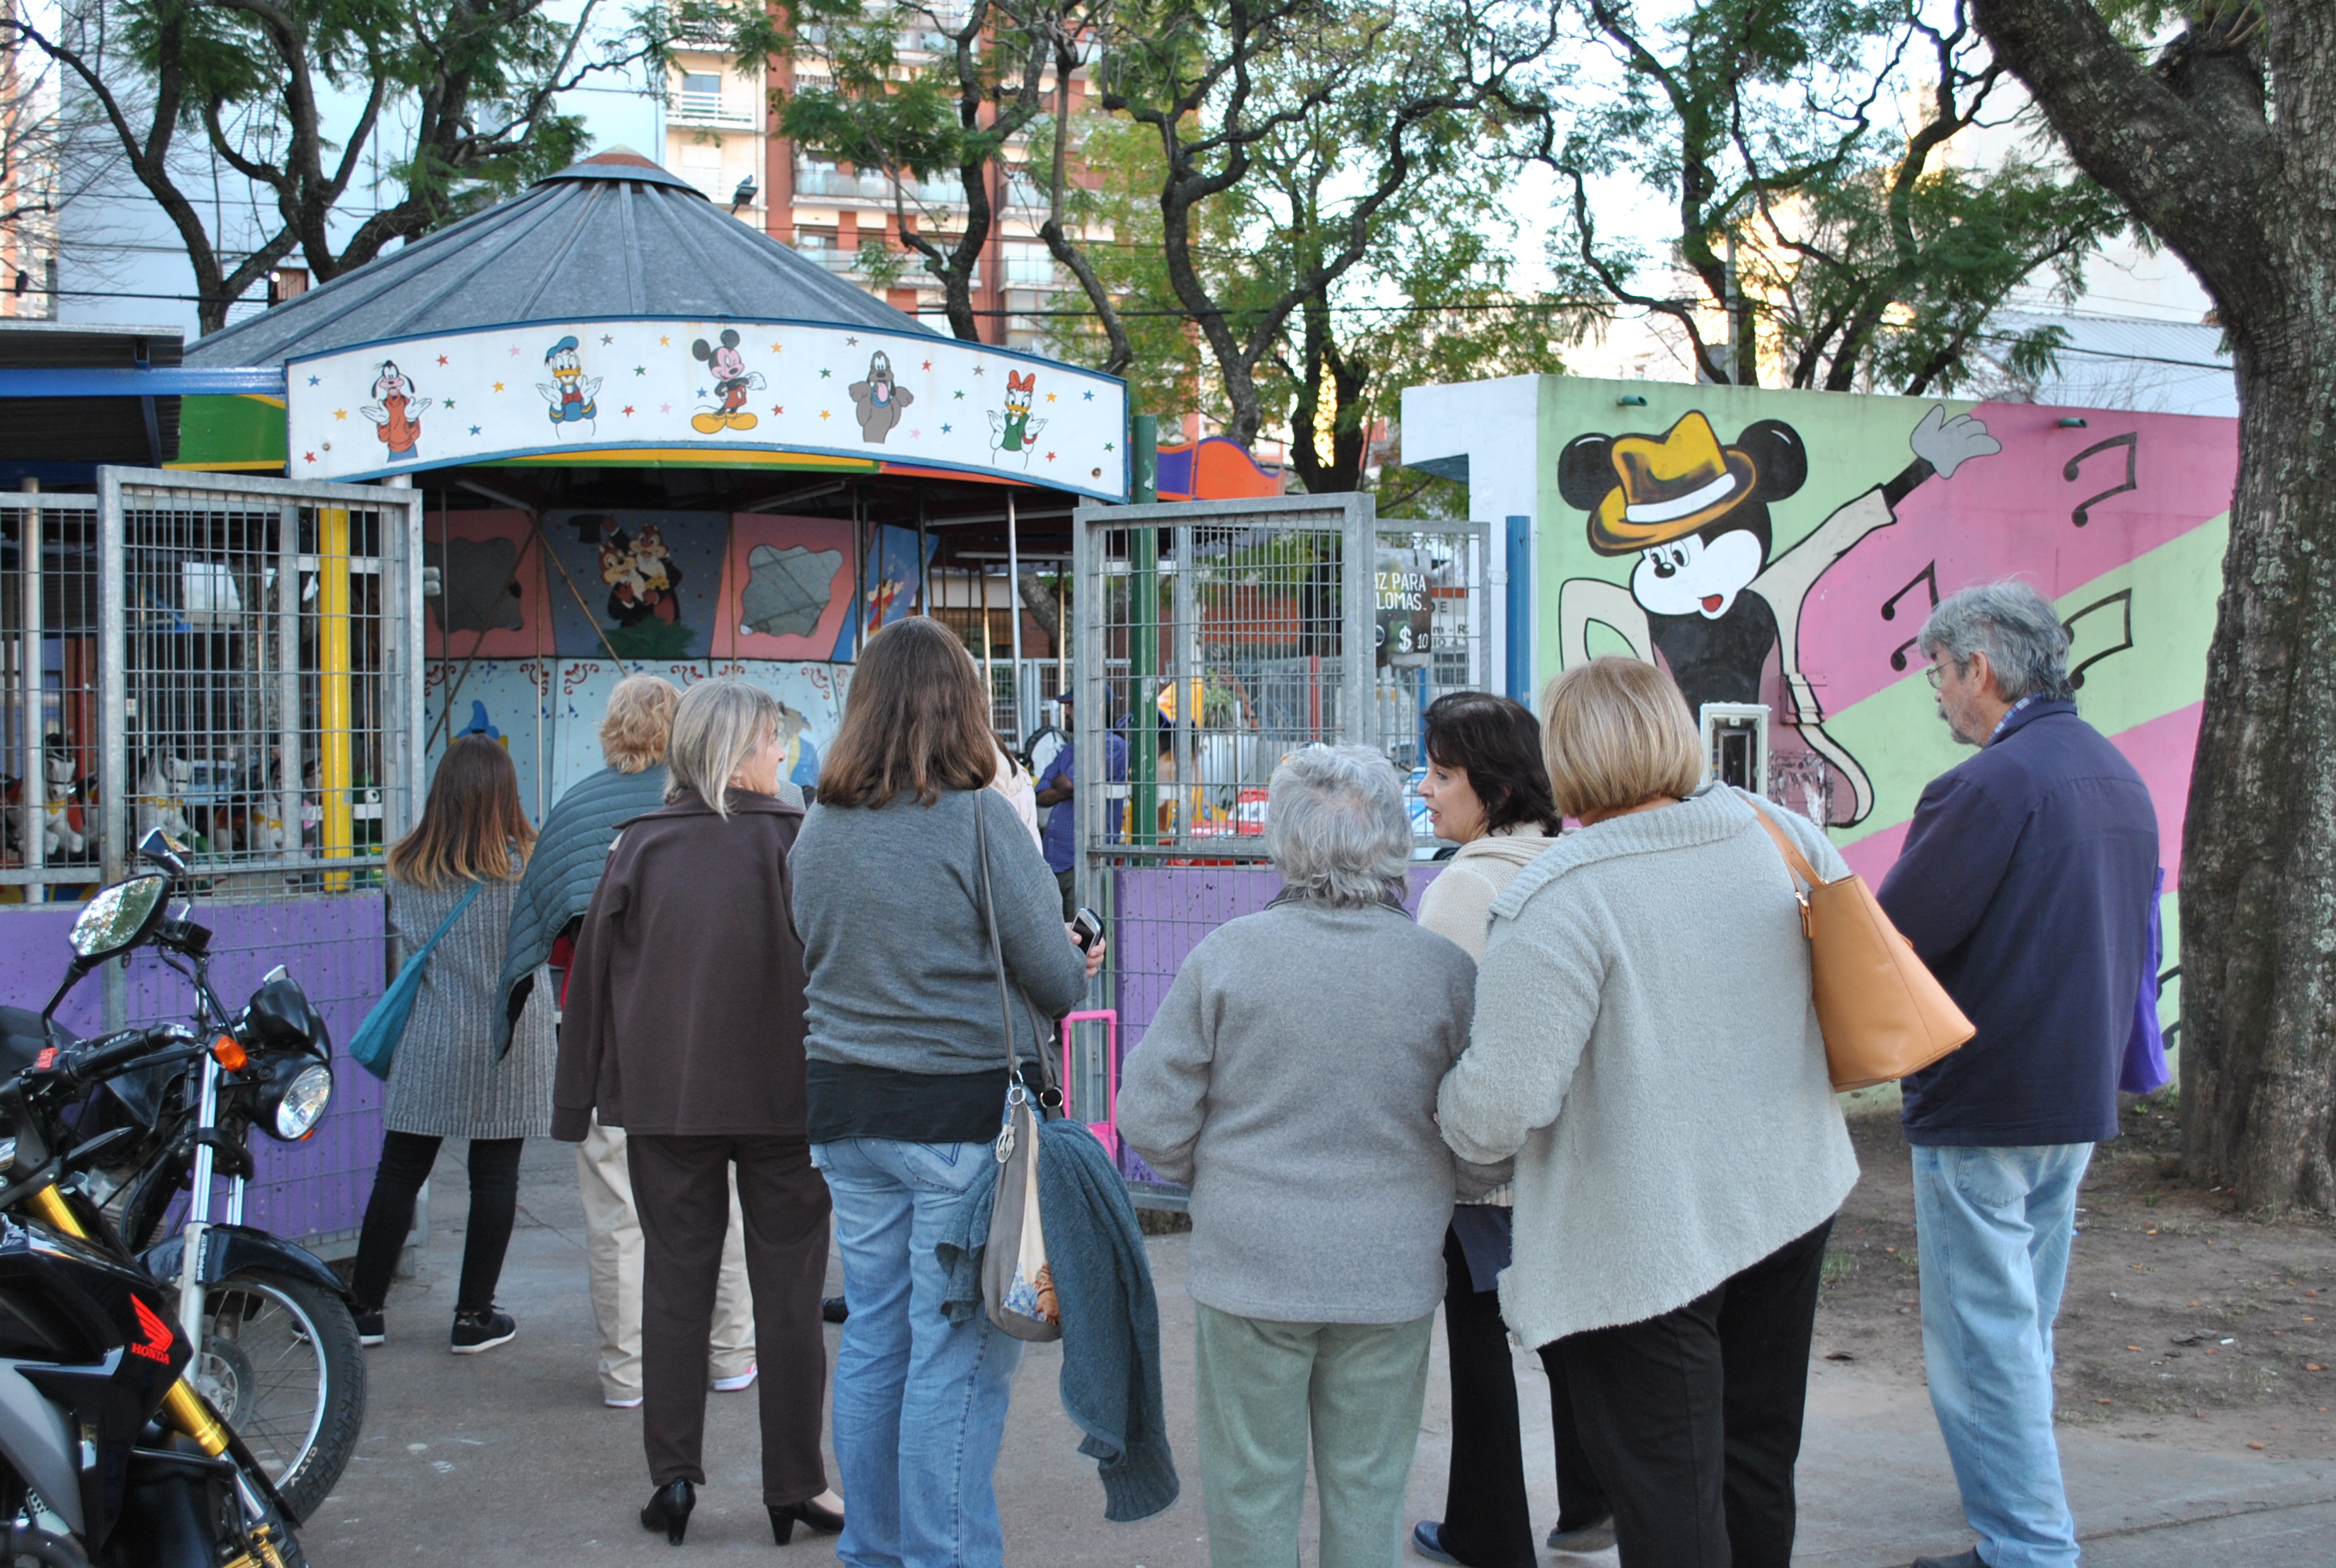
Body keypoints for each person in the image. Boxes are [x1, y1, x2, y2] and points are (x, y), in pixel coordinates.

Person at [1438, 657, 1859, 1568]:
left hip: (1643, 1236)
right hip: (1787, 1194)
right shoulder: (1778, 832)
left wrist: (1443, 1102)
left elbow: (1497, 1110)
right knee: (1755, 1459)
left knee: (1668, 1498)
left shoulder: (1559, 897)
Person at [1119, 744, 1504, 1568]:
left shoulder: (1226, 956)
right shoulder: (1442, 972)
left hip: (1248, 1264)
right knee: (1369, 1487)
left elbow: (1148, 1118)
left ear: (1280, 842)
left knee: (1251, 1485)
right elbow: (1482, 1131)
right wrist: (1450, 1186)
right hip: (1390, 1269)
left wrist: (1217, 1175)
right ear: (1395, 840)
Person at [789, 616, 1101, 1568]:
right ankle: (944, 1556)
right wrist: (1078, 955)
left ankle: (874, 1551)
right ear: (962, 705)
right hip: (959, 1125)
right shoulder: (979, 819)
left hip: (846, 1115)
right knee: (959, 1355)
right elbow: (1056, 978)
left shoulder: (818, 828)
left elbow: (822, 950)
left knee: (879, 1338)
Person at [1876, 583, 2157, 1568]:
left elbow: (1894, 939)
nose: (1937, 697)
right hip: (2070, 1092)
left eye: (1936, 675)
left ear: (1977, 669)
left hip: (1985, 1094)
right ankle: (2017, 1529)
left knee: (1985, 1342)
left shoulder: (1990, 786)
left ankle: (2028, 1545)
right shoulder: (2114, 773)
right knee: (2017, 1327)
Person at [557, 677, 843, 1549]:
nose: (784, 752)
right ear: (738, 751)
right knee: (788, 1298)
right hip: (788, 1102)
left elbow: (592, 980)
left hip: (664, 1099)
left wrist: (578, 1104)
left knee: (675, 1286)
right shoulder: (802, 841)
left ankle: (674, 1480)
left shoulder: (637, 847)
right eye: (772, 739)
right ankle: (795, 1486)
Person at [496, 673, 765, 1409]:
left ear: (609, 728)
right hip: (708, 1035)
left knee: (616, 1211)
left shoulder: (576, 809)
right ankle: (732, 1353)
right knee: (725, 1195)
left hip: (612, 1039)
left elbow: (543, 933)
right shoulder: (715, 809)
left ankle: (626, 1373)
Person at [1407, 694, 1612, 1566]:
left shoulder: (1465, 883)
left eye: (1441, 773)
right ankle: (1591, 1502)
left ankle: (1487, 1533)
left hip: (1486, 1160)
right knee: (1572, 1331)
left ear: (1488, 787)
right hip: (1579, 1151)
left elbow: (1431, 1034)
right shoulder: (1578, 864)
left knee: (1480, 1343)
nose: (1424, 790)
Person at [348, 735, 554, 1354]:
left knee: (400, 1171)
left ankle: (362, 1310)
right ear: (507, 794)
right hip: (512, 1039)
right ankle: (472, 1318)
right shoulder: (532, 869)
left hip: (432, 1036)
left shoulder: (406, 869)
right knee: (495, 1178)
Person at [1034, 690, 1128, 920]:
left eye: (1071, 705)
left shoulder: (1113, 745)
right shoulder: (1071, 747)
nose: (1066, 711)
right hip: (1055, 860)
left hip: (1086, 860)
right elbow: (1039, 794)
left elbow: (1065, 785)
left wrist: (1064, 785)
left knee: (1083, 942)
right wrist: (1067, 785)